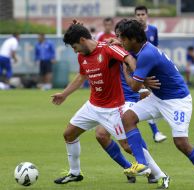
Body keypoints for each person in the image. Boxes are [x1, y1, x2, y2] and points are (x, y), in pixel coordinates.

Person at [51, 23, 169, 189]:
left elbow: (128, 58)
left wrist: (140, 78)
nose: (74, 50)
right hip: (92, 106)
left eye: (75, 46)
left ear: (83, 40)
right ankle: (75, 173)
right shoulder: (82, 56)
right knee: (69, 134)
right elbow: (81, 77)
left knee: (129, 146)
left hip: (113, 109)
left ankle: (162, 176)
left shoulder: (107, 49)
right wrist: (64, 94)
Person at [116, 19, 194, 190]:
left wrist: (127, 72)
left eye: (123, 39)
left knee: (181, 143)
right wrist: (142, 79)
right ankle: (141, 163)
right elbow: (139, 78)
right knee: (128, 118)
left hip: (177, 100)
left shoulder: (146, 54)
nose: (122, 42)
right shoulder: (142, 50)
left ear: (133, 38)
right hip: (158, 98)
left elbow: (134, 87)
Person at [95, 19, 169, 186]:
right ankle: (132, 169)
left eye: (122, 37)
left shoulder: (132, 53)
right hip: (111, 102)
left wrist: (143, 83)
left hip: (125, 100)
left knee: (128, 144)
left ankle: (159, 175)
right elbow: (93, 47)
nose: (120, 39)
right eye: (118, 36)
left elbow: (138, 68)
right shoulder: (114, 49)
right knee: (101, 135)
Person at [135, 5, 167, 142]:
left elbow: (156, 49)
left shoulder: (153, 30)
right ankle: (156, 132)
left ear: (147, 15)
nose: (141, 17)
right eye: (138, 14)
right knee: (145, 97)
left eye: (143, 14)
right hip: (138, 71)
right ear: (135, 16)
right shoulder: (133, 32)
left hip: (152, 70)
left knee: (156, 97)